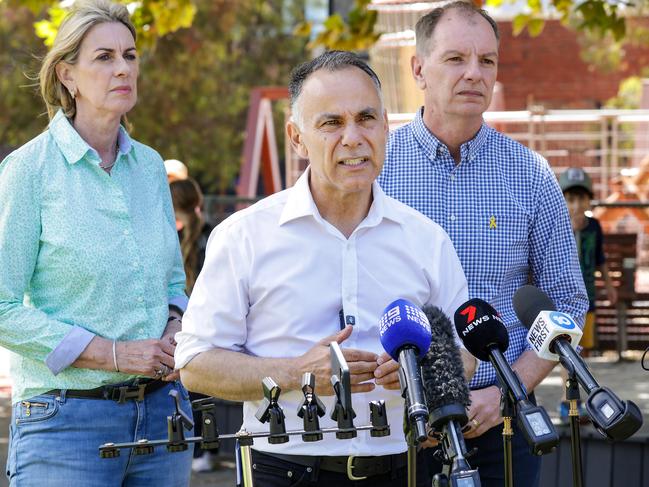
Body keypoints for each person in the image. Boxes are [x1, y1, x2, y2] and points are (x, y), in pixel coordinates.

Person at [175, 50, 476, 487]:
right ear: (297, 138)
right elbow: (195, 364)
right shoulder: (244, 236)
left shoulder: (426, 240)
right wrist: (297, 372)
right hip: (283, 470)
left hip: (404, 467)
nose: (353, 137)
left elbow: (464, 353)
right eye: (331, 123)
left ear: (386, 127)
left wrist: (424, 372)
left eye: (366, 118)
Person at [378, 3, 589, 486]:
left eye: (487, 61)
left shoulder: (530, 175)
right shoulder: (376, 169)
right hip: (396, 425)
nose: (474, 73)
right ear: (418, 69)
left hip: (503, 426)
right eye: (455, 59)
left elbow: (568, 304)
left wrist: (508, 389)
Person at [0, 1, 192, 484]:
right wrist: (111, 353)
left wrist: (175, 322)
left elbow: (172, 277)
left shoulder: (150, 167)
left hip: (163, 420)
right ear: (67, 75)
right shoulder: (28, 170)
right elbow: (1, 307)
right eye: (104, 57)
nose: (123, 68)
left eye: (130, 55)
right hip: (65, 427)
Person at [557, 167, 617, 421]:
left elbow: (600, 259)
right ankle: (567, 401)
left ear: (589, 200)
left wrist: (610, 286)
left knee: (584, 350)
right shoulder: (558, 227)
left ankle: (582, 399)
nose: (576, 205)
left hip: (588, 300)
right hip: (562, 300)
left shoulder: (594, 227)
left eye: (581, 199)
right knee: (569, 349)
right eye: (570, 199)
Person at [170, 176, 218, 472]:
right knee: (199, 391)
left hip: (189, 325)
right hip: (197, 324)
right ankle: (204, 450)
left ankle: (202, 449)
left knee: (194, 390)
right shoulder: (207, 234)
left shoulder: (196, 238)